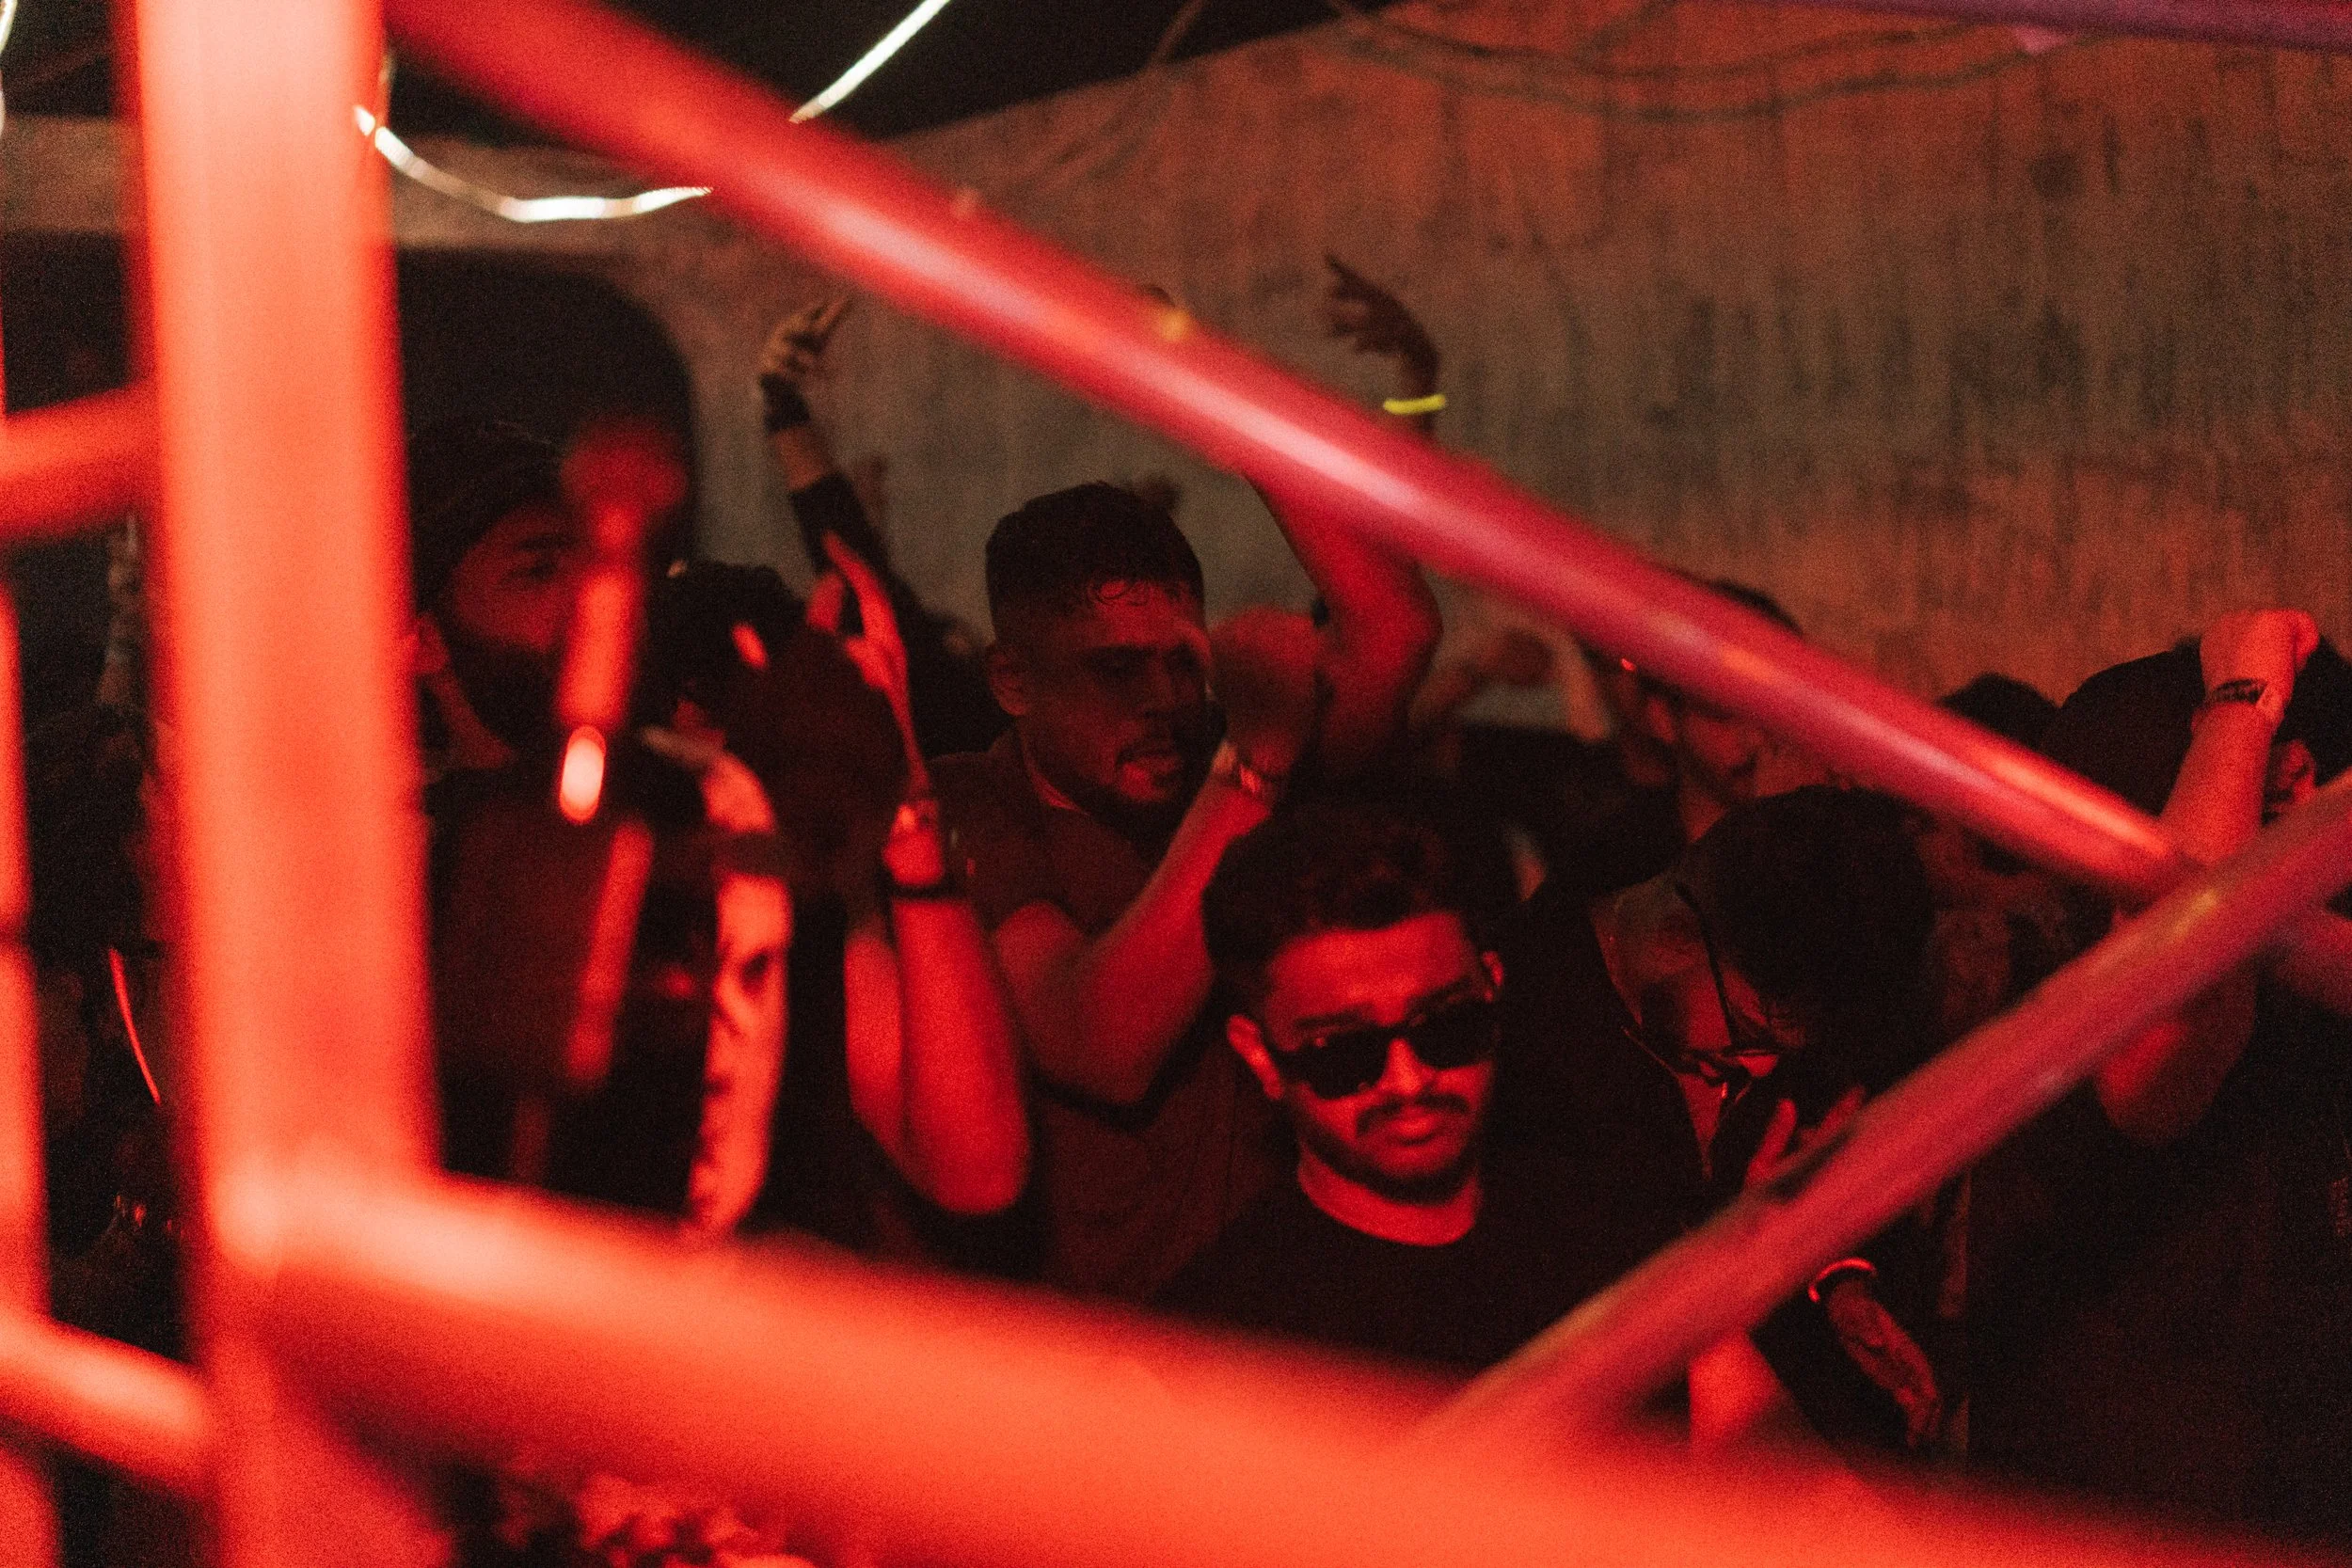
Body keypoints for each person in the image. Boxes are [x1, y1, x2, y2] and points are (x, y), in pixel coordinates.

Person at [931, 309, 1442, 1298]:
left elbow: (1395, 631)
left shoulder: (1223, 756)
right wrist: (1251, 764)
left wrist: (1223, 392)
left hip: (1274, 1325)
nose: (1164, 700)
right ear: (1012, 680)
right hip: (1088, 1364)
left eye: (1183, 660)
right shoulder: (971, 801)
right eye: (1115, 670)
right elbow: (1099, 1042)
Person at [1967, 609, 2352, 1545]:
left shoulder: (2306, 965)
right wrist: (2241, 705)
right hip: (2132, 1522)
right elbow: (2183, 979)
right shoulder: (2066, 998)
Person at [1158, 795, 1681, 1380]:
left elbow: (1741, 1422)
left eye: (1447, 1026)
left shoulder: (1620, 1226)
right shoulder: (1216, 1343)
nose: (1408, 1080)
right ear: (1259, 1054)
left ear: (1493, 988)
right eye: (1346, 1052)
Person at [1494, 785, 1947, 1450]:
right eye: (1751, 1032)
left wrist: (1841, 1281)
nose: (1762, 1069)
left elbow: (1820, 1155)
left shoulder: (1791, 1003)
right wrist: (1736, 1256)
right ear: (1678, 933)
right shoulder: (1526, 1029)